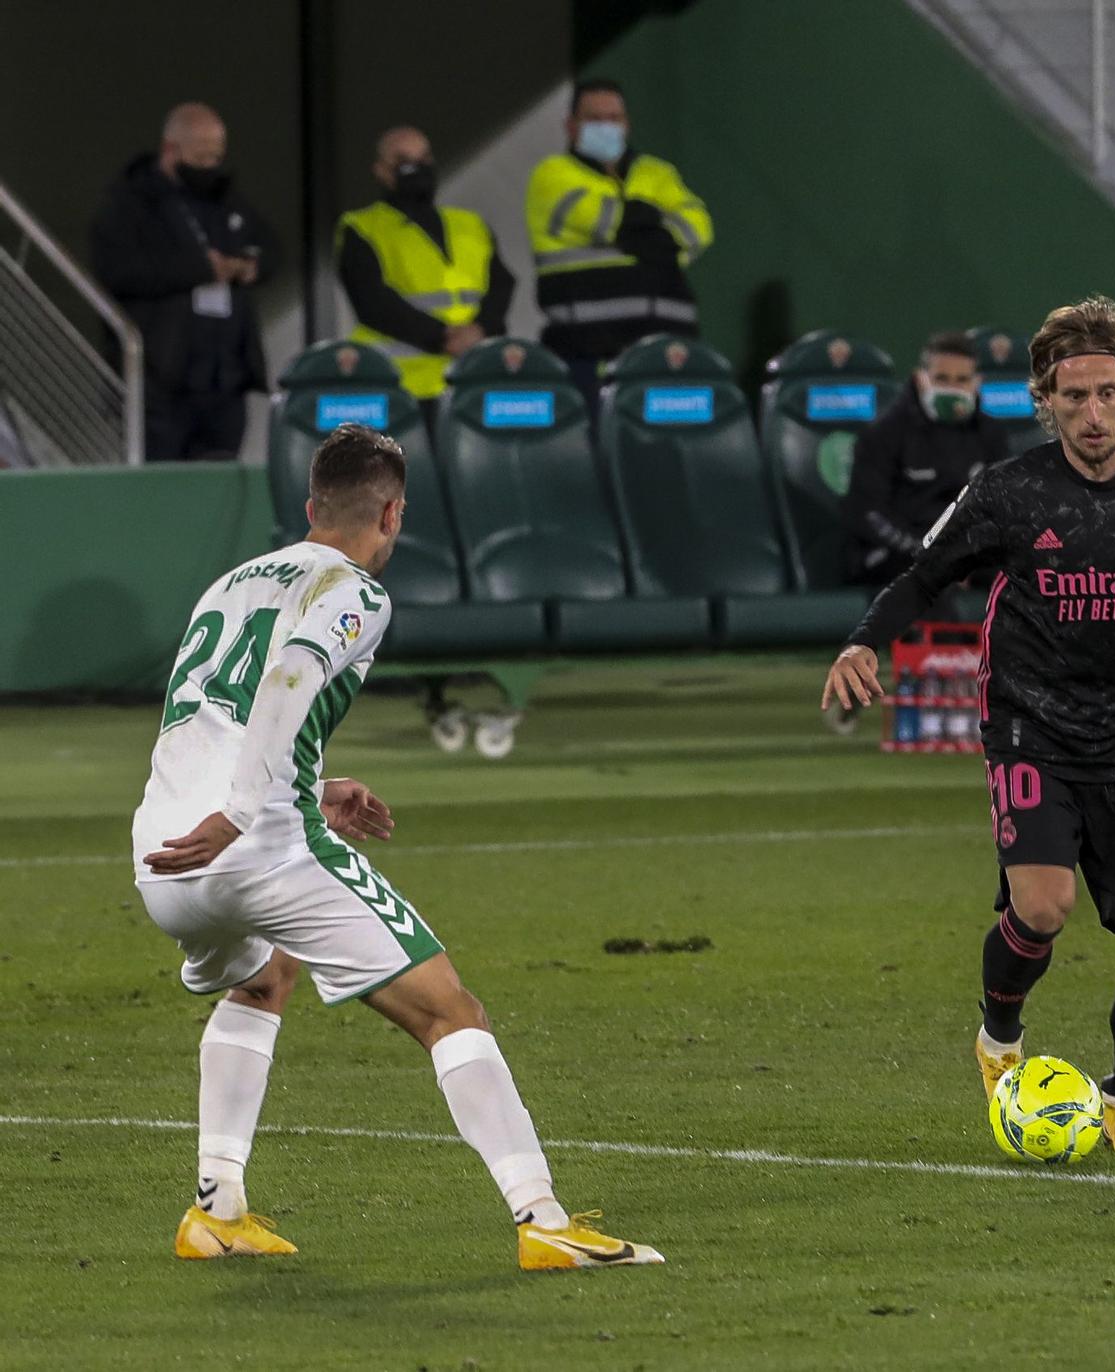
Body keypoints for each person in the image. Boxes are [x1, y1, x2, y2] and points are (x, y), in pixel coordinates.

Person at [131, 423, 659, 1271]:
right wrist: (244, 811)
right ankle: (545, 1221)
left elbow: (211, 719)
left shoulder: (227, 585)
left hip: (162, 853)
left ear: (309, 507)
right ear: (392, 514)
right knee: (451, 1010)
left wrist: (311, 785)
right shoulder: (357, 592)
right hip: (251, 843)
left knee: (266, 975)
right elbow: (291, 676)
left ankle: (216, 1209)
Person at [821, 296, 1115, 1155]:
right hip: (1029, 728)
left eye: (1107, 393)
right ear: (1046, 400)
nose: (1091, 413)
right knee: (1042, 907)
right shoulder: (1007, 493)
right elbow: (922, 578)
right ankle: (998, 1039)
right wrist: (865, 643)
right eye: (1072, 397)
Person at [90, 103, 274, 462]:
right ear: (171, 150)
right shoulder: (128, 204)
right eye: (201, 158)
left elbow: (272, 246)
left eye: (215, 158)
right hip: (163, 382)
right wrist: (200, 269)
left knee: (222, 484)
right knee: (161, 491)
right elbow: (116, 270)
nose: (209, 167)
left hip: (224, 379)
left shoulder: (225, 200)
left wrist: (251, 266)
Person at [525, 79, 712, 399]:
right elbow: (606, 219)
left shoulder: (658, 173)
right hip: (588, 356)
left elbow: (699, 228)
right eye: (594, 119)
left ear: (627, 124)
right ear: (571, 126)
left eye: (614, 119)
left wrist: (636, 230)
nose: (606, 127)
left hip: (669, 354)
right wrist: (661, 233)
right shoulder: (553, 175)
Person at [335, 126, 515, 415]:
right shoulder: (362, 228)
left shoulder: (470, 224)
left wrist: (480, 329)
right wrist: (443, 336)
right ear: (381, 171)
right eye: (403, 160)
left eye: (424, 158)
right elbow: (373, 302)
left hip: (473, 381)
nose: (416, 168)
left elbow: (501, 285)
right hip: (402, 388)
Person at [842, 330, 1011, 585]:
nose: (952, 389)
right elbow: (868, 514)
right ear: (921, 380)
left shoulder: (991, 435)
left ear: (976, 384)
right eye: (942, 379)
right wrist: (931, 553)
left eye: (962, 379)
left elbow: (1003, 509)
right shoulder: (883, 433)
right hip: (898, 556)